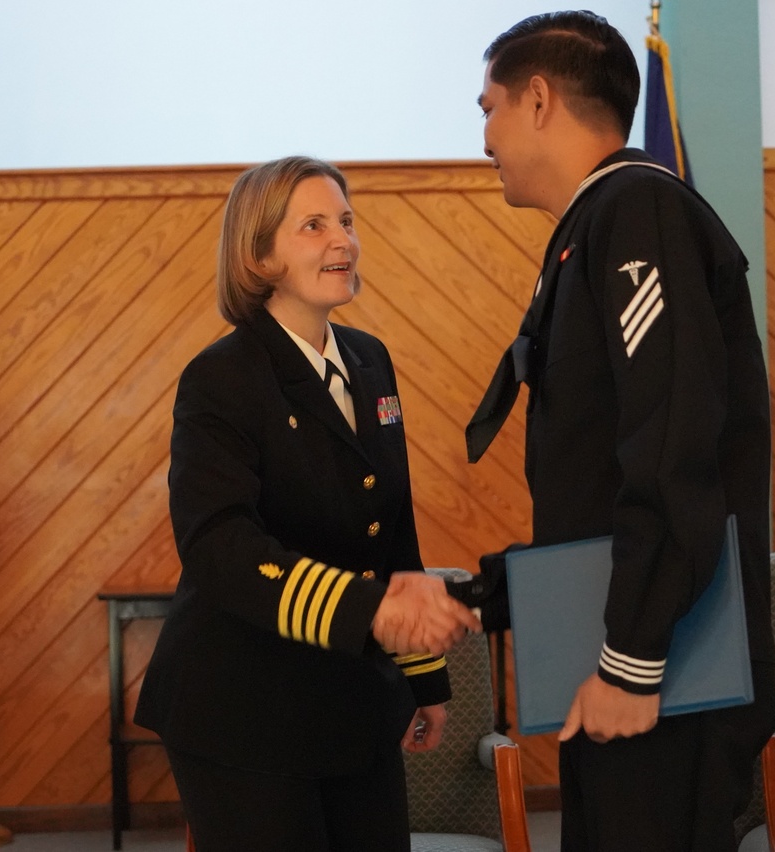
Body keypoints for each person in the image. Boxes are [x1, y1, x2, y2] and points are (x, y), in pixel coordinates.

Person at [463, 11, 775, 851]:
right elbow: (598, 482)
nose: (484, 137)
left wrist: (632, 663)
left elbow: (672, 444)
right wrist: (488, 594)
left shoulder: (639, 208)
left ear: (539, 100)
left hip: (662, 672)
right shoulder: (594, 225)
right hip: (624, 656)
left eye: (489, 108)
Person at [134, 156, 481, 852]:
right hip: (243, 707)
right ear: (259, 255)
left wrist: (423, 678)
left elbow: (391, 531)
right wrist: (371, 611)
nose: (343, 240)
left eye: (347, 221)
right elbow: (220, 548)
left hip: (353, 698)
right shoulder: (221, 378)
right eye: (314, 226)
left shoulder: (370, 360)